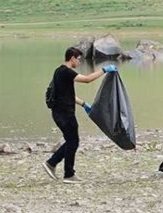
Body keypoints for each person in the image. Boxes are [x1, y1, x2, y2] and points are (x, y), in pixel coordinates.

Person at [43, 47, 116, 183]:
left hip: (59, 113)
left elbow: (67, 95)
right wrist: (104, 70)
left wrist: (84, 104)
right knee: (73, 141)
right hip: (65, 114)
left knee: (72, 141)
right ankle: (68, 174)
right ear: (72, 58)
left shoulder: (58, 71)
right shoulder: (66, 72)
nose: (79, 62)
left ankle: (52, 163)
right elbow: (87, 79)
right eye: (78, 59)